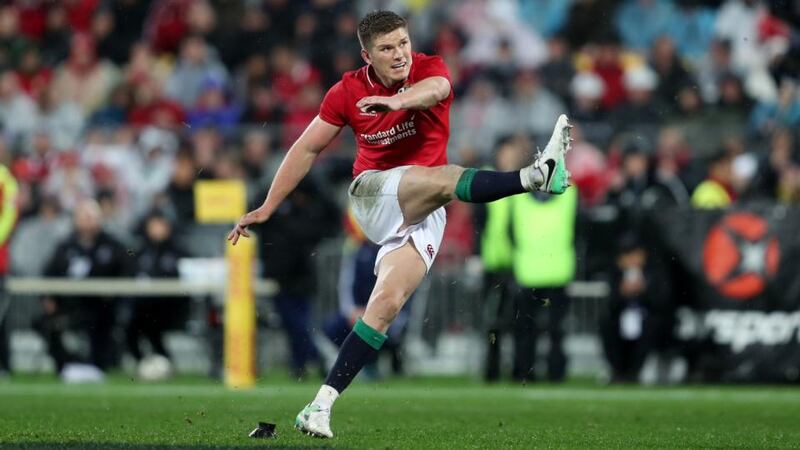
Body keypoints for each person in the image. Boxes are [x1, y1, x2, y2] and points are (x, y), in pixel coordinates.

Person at [228, 11, 572, 439]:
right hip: (373, 194)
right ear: (366, 54)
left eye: (403, 43)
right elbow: (305, 148)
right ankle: (535, 177)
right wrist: (267, 206)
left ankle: (319, 406)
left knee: (386, 305)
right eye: (387, 48)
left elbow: (437, 89)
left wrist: (397, 102)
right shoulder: (347, 90)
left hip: (423, 209)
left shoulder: (429, 68)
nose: (399, 54)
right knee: (446, 177)